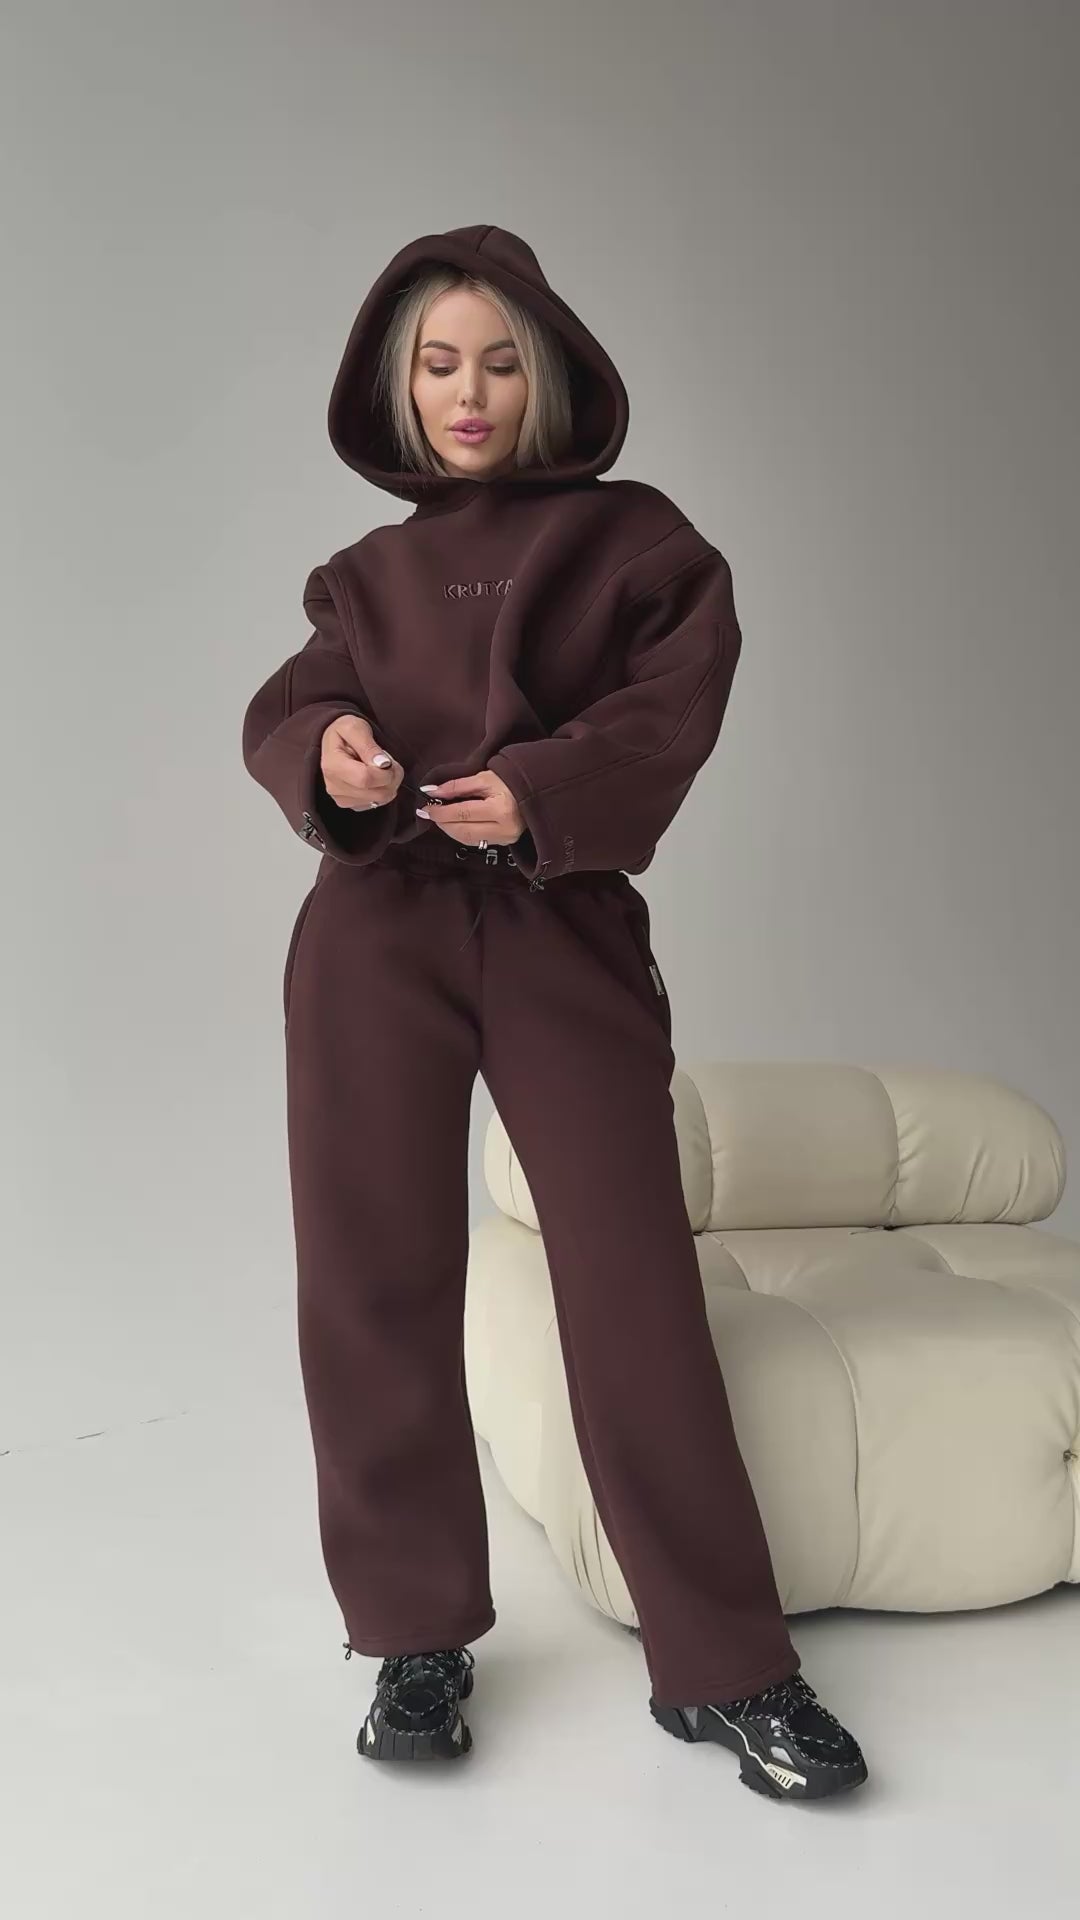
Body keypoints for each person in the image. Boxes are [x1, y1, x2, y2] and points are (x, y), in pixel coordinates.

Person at [241, 223, 868, 1802]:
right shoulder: (363, 575)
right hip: (374, 935)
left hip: (558, 927)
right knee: (370, 1279)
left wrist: (535, 789)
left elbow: (675, 701)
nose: (469, 393)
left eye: (501, 363)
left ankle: (726, 1664)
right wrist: (332, 755)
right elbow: (297, 702)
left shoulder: (641, 544)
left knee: (631, 1278)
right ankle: (413, 1638)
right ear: (398, 387)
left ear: (553, 376)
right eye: (438, 364)